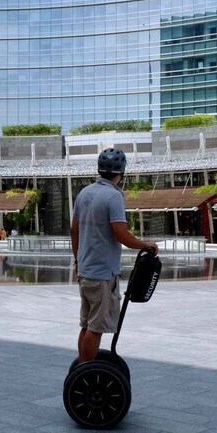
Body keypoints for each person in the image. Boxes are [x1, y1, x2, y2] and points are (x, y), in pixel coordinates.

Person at [71, 148, 158, 364]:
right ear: (122, 172)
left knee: (86, 325)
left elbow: (74, 230)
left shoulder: (84, 193)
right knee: (96, 328)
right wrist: (145, 244)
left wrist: (77, 260)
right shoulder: (114, 195)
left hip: (86, 271)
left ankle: (81, 369)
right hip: (102, 274)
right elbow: (121, 234)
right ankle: (86, 374)